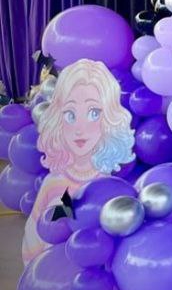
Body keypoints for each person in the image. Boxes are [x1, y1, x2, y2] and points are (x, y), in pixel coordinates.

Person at [22, 60, 135, 263]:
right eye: (70, 115)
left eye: (94, 113)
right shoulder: (53, 184)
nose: (80, 128)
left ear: (109, 118)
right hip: (54, 274)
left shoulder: (110, 187)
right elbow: (33, 242)